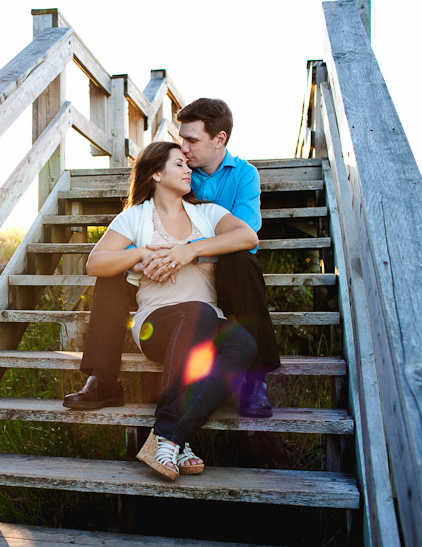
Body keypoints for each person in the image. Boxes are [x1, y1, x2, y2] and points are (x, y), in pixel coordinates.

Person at [63, 98, 280, 418]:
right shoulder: (175, 168)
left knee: (243, 261)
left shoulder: (243, 176)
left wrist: (187, 252)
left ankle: (254, 379)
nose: (185, 149)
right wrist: (145, 258)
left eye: (192, 140)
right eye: (181, 141)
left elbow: (246, 236)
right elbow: (131, 234)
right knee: (110, 275)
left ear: (219, 140)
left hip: (218, 276)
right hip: (161, 282)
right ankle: (103, 379)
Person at [81, 141, 257, 480]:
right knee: (198, 313)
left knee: (243, 343)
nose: (188, 169)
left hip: (206, 321)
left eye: (187, 164)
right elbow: (95, 263)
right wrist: (140, 254)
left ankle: (171, 435)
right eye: (179, 164)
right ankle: (173, 434)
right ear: (157, 173)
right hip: (157, 325)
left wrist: (188, 251)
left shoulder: (207, 213)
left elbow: (247, 236)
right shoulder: (135, 217)